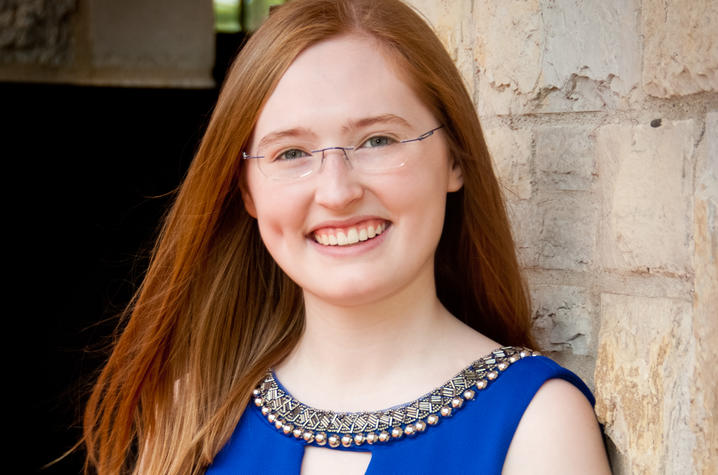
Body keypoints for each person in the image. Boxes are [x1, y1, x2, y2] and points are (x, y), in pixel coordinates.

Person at [83, 0, 611, 473]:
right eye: (291, 152)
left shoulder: (538, 424)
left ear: (455, 158)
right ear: (245, 190)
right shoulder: (190, 416)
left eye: (377, 140)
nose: (336, 192)